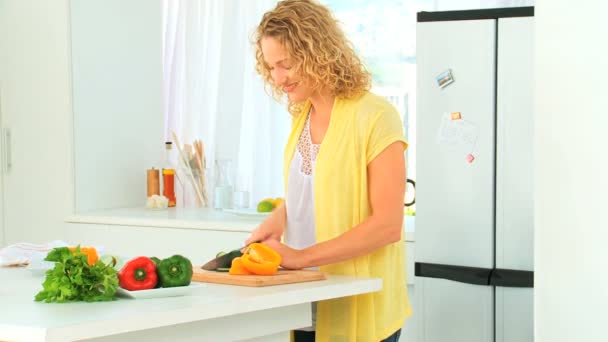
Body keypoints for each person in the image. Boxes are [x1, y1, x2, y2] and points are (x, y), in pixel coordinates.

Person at [246, 0, 411, 341]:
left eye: (286, 65)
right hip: (308, 301)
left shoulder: (376, 116)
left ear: (316, 52)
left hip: (360, 305)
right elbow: (316, 190)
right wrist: (279, 217)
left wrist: (299, 257)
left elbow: (387, 225)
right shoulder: (301, 115)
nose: (278, 79)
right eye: (271, 67)